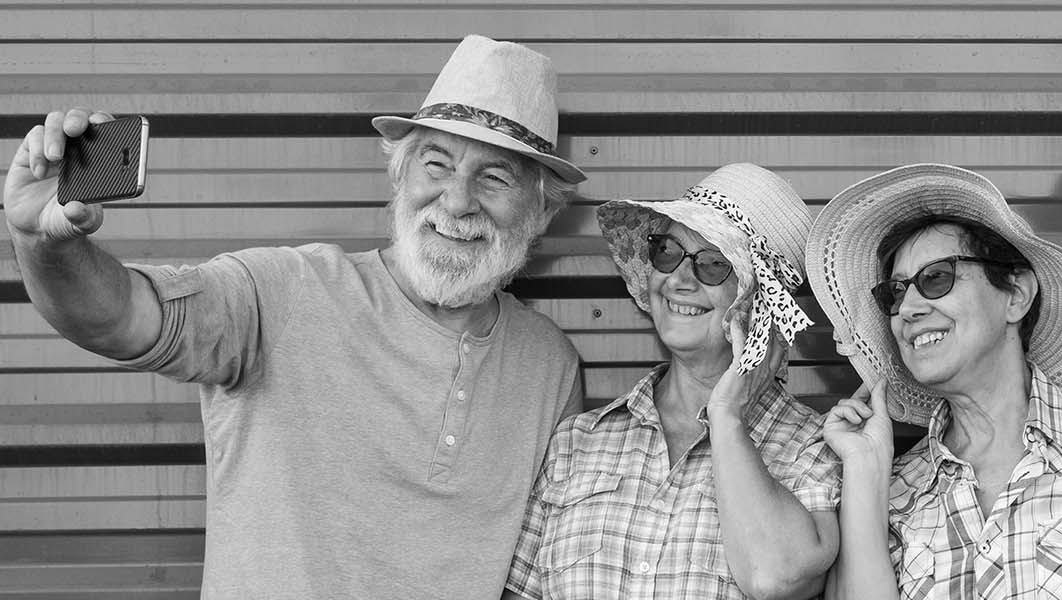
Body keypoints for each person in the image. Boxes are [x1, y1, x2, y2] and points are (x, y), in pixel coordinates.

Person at [3, 35, 587, 598]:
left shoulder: (549, 365)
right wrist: (42, 244)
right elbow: (121, 319)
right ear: (399, 176)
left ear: (538, 212)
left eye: (494, 177)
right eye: (437, 164)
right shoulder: (284, 290)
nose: (457, 201)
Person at [809, 163, 1062, 599]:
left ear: (1016, 295)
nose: (907, 309)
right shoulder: (895, 491)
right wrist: (865, 468)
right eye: (896, 292)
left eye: (936, 278)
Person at [503, 163, 841, 599]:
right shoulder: (579, 440)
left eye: (714, 264)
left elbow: (776, 576)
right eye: (667, 251)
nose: (679, 279)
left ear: (763, 303)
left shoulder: (813, 448)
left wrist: (726, 417)